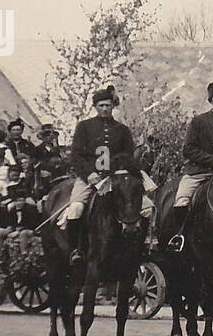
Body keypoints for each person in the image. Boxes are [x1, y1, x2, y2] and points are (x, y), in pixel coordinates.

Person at [59, 85, 153, 264]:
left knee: (147, 208)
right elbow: (76, 155)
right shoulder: (84, 127)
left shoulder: (122, 130)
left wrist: (122, 172)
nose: (104, 109)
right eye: (100, 105)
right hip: (89, 177)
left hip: (116, 178)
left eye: (107, 105)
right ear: (95, 107)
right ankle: (75, 249)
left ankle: (138, 246)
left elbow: (128, 155)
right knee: (76, 208)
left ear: (112, 106)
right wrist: (89, 175)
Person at [167, 83, 213, 251]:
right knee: (182, 199)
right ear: (211, 100)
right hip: (198, 172)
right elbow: (188, 149)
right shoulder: (198, 122)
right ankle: (180, 236)